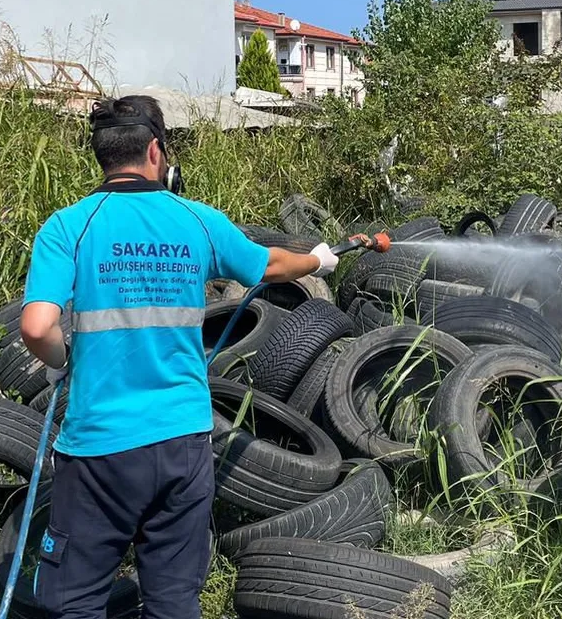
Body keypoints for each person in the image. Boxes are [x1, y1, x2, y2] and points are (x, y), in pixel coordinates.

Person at [18, 94, 339, 619]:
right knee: (173, 602)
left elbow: (35, 326)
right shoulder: (197, 220)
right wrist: (318, 260)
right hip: (182, 442)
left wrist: (58, 359)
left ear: (102, 155)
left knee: (73, 601)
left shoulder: (68, 226)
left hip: (100, 447)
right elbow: (269, 265)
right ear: (154, 152)